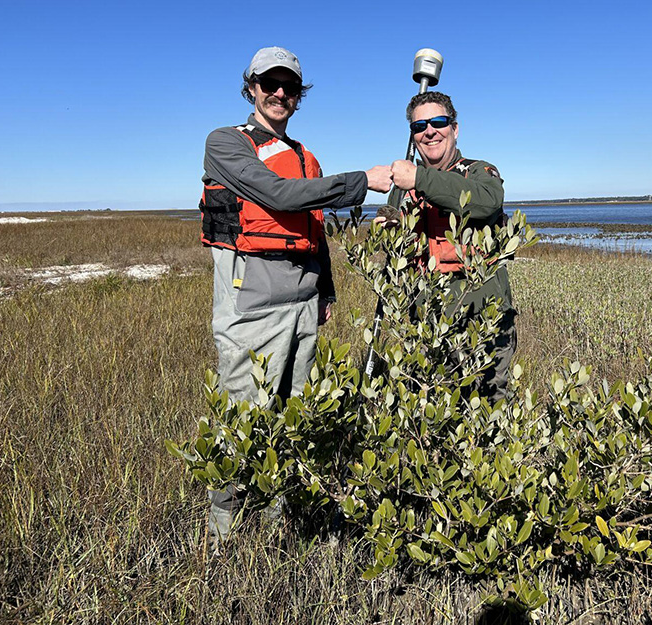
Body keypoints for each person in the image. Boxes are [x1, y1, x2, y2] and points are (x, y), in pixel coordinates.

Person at [199, 46, 392, 543]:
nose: (279, 92)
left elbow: (314, 227)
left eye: (289, 86)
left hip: (305, 304)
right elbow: (277, 196)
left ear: (299, 96)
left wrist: (325, 289)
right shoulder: (226, 143)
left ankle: (277, 525)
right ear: (252, 88)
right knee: (244, 421)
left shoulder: (306, 156)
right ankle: (221, 538)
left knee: (294, 419)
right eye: (270, 83)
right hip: (251, 308)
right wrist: (362, 182)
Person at [387, 91, 514, 399]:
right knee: (428, 408)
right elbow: (392, 244)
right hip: (424, 324)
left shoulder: (479, 172)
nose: (429, 131)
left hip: (481, 323)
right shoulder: (404, 185)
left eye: (438, 122)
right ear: (414, 136)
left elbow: (487, 202)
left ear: (454, 129)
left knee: (488, 408)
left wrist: (419, 177)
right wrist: (386, 225)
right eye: (419, 126)